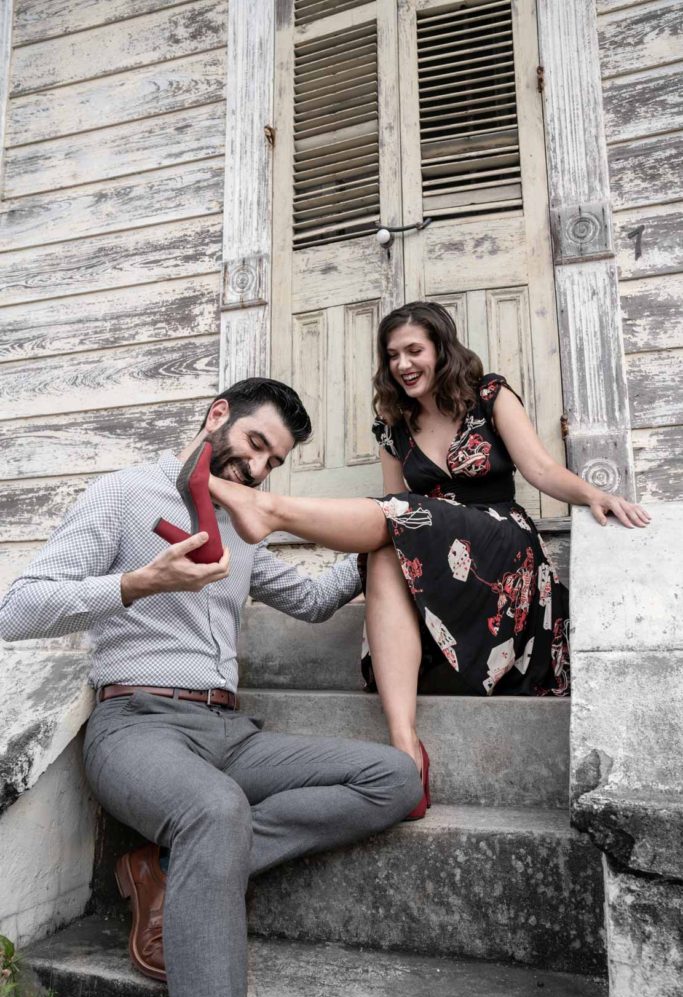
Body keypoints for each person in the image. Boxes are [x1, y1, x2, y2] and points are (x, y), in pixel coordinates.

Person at [0, 377, 423, 997]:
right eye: (254, 443)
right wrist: (138, 583)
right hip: (136, 725)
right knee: (216, 810)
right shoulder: (123, 494)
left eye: (272, 461)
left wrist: (391, 531)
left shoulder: (244, 526)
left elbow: (311, 601)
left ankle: (171, 867)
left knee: (393, 777)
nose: (255, 468)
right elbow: (17, 609)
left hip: (228, 733)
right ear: (217, 413)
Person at [205, 302, 651, 819]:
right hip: (437, 557)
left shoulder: (490, 396)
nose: (402, 364)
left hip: (500, 549)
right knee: (389, 543)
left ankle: (271, 510)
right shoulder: (392, 427)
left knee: (402, 519)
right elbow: (391, 512)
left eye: (414, 350)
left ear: (441, 348)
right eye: (392, 355)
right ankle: (405, 747)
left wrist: (593, 494)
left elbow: (541, 469)